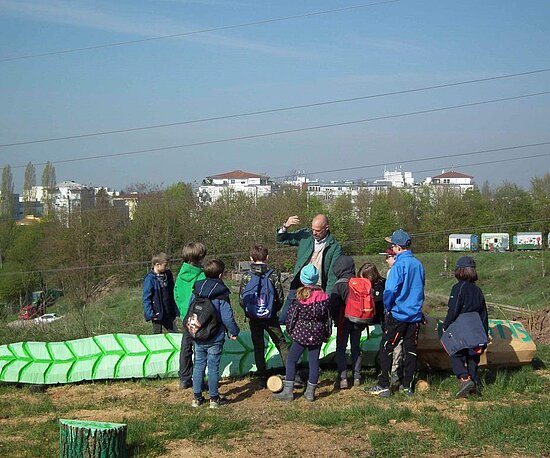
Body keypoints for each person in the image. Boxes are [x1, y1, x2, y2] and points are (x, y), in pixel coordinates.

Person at [366, 229, 425, 398]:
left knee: (386, 348)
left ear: (397, 247)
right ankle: (407, 386)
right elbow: (420, 289)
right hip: (414, 315)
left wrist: (388, 305)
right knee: (410, 350)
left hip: (398, 314)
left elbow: (390, 289)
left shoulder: (399, 264)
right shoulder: (418, 264)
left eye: (392, 245)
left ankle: (384, 385)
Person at [272, 265, 331, 402]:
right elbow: (328, 318)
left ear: (302, 279)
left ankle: (288, 391)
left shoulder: (299, 297)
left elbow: (291, 317)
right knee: (314, 362)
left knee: (292, 360)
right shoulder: (324, 297)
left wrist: (290, 330)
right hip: (317, 334)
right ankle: (310, 392)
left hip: (301, 334)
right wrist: (326, 334)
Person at [190, 259, 240, 408]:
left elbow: (189, 310)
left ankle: (196, 398)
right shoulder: (221, 293)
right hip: (215, 337)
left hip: (198, 335)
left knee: (198, 365)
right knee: (213, 367)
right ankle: (214, 399)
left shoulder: (197, 290)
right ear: (221, 274)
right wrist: (234, 331)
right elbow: (227, 317)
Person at [276, 214, 342, 324]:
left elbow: (332, 276)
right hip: (298, 285)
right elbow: (281, 239)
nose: (314, 233)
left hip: (318, 289)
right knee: (284, 319)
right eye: (313, 230)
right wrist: (285, 226)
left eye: (318, 230)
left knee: (312, 322)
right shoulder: (305, 235)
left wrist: (327, 299)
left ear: (326, 228)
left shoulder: (335, 247)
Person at [239, 245, 289, 388]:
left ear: (251, 259)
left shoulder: (247, 275)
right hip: (270, 317)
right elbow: (280, 297)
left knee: (259, 346)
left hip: (254, 317)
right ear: (267, 257)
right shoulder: (273, 275)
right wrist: (273, 310)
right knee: (281, 343)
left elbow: (242, 298)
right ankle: (291, 373)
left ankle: (261, 377)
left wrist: (250, 311)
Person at [443, 256, 488, 398]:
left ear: (460, 271)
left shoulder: (458, 288)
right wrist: (484, 334)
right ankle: (473, 385)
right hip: (476, 326)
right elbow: (484, 312)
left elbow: (454, 309)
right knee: (473, 357)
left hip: (462, 325)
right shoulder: (477, 290)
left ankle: (464, 378)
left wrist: (446, 325)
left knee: (456, 353)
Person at [174, 242, 207, 389]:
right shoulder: (201, 275)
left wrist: (182, 310)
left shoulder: (181, 274)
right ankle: (199, 379)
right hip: (198, 316)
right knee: (200, 347)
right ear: (200, 257)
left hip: (185, 315)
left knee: (186, 346)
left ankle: (184, 378)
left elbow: (176, 293)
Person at [330, 255, 363, 389]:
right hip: (358, 321)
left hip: (344, 321)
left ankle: (343, 377)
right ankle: (357, 376)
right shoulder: (359, 282)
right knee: (356, 348)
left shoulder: (339, 285)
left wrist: (334, 319)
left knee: (341, 349)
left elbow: (333, 305)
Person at [143, 253, 179, 334]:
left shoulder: (168, 275)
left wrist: (175, 310)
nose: (167, 267)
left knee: (175, 334)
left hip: (168, 312)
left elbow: (172, 293)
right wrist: (150, 314)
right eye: (165, 265)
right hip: (157, 314)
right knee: (157, 336)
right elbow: (146, 298)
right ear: (157, 265)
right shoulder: (150, 279)